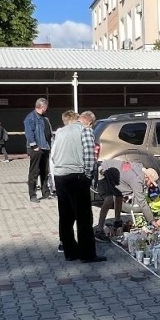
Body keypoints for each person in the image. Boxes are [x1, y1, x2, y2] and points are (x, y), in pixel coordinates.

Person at [49, 110, 103, 262]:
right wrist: (88, 175)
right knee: (84, 217)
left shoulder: (61, 131)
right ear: (90, 122)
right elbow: (89, 155)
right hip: (77, 176)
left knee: (65, 216)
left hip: (60, 176)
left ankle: (70, 252)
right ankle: (87, 254)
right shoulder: (85, 130)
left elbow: (53, 155)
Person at [96, 159, 157, 235]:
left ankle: (117, 222)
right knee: (109, 199)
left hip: (113, 175)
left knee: (118, 195)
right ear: (147, 178)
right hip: (104, 171)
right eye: (151, 183)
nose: (151, 185)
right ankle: (99, 229)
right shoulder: (137, 180)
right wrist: (152, 220)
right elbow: (142, 203)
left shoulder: (140, 170)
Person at [24, 99, 53, 202]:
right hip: (36, 148)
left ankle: (46, 192)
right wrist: (34, 145)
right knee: (34, 172)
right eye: (46, 107)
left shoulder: (45, 118)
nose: (47, 109)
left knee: (45, 171)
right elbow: (29, 133)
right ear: (42, 107)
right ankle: (32, 194)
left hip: (45, 147)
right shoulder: (31, 118)